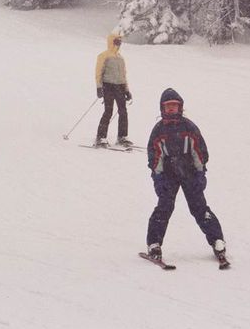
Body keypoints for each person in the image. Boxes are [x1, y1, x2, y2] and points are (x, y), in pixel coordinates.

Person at [145, 88, 227, 264]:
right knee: (164, 208)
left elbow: (199, 152)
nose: (171, 109)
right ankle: (154, 243)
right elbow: (155, 157)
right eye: (168, 106)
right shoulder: (159, 130)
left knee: (199, 208)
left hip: (189, 172)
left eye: (174, 106)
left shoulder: (189, 127)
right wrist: (158, 178)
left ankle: (217, 241)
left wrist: (200, 174)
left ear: (180, 107)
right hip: (168, 174)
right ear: (162, 108)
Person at [95, 34, 133, 147]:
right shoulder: (103, 56)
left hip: (120, 87)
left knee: (123, 112)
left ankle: (122, 136)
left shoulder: (120, 58)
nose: (119, 44)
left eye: (120, 42)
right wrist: (99, 87)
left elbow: (123, 75)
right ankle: (101, 137)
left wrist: (126, 90)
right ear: (111, 41)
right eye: (117, 41)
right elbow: (98, 72)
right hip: (108, 86)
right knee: (108, 111)